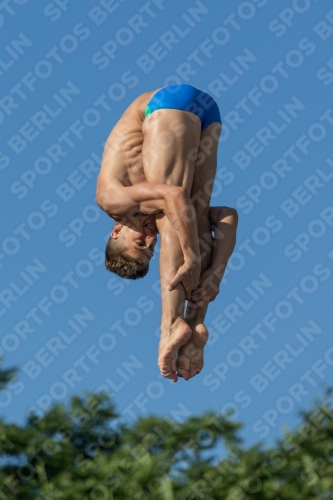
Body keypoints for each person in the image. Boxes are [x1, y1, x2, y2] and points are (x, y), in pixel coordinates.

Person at [96, 84, 238, 382]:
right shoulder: (144, 209)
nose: (150, 240)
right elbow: (227, 216)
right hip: (207, 114)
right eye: (150, 248)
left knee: (172, 216)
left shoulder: (110, 199)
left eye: (140, 243)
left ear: (116, 230)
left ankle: (172, 324)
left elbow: (173, 196)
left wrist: (191, 257)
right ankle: (196, 321)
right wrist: (216, 274)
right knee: (193, 220)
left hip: (167, 104)